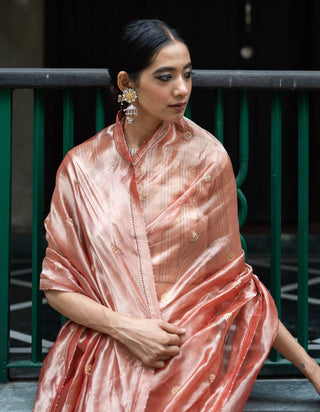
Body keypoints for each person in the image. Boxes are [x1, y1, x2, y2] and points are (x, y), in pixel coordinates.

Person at [33, 19, 320, 412]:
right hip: (109, 341)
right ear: (125, 83)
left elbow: (237, 286)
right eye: (165, 77)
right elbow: (57, 286)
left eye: (187, 74)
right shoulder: (81, 167)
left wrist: (311, 369)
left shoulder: (207, 157)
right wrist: (130, 330)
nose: (182, 89)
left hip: (188, 349)